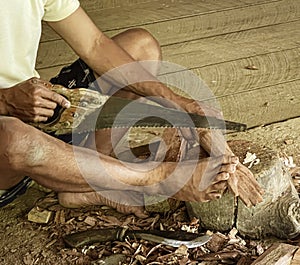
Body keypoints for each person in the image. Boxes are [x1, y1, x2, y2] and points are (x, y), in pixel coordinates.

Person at [0, 0, 262, 216]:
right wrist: (6, 100)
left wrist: (174, 101)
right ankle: (159, 178)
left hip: (34, 108)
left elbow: (95, 45)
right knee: (15, 138)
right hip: (8, 143)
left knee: (140, 46)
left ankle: (92, 181)